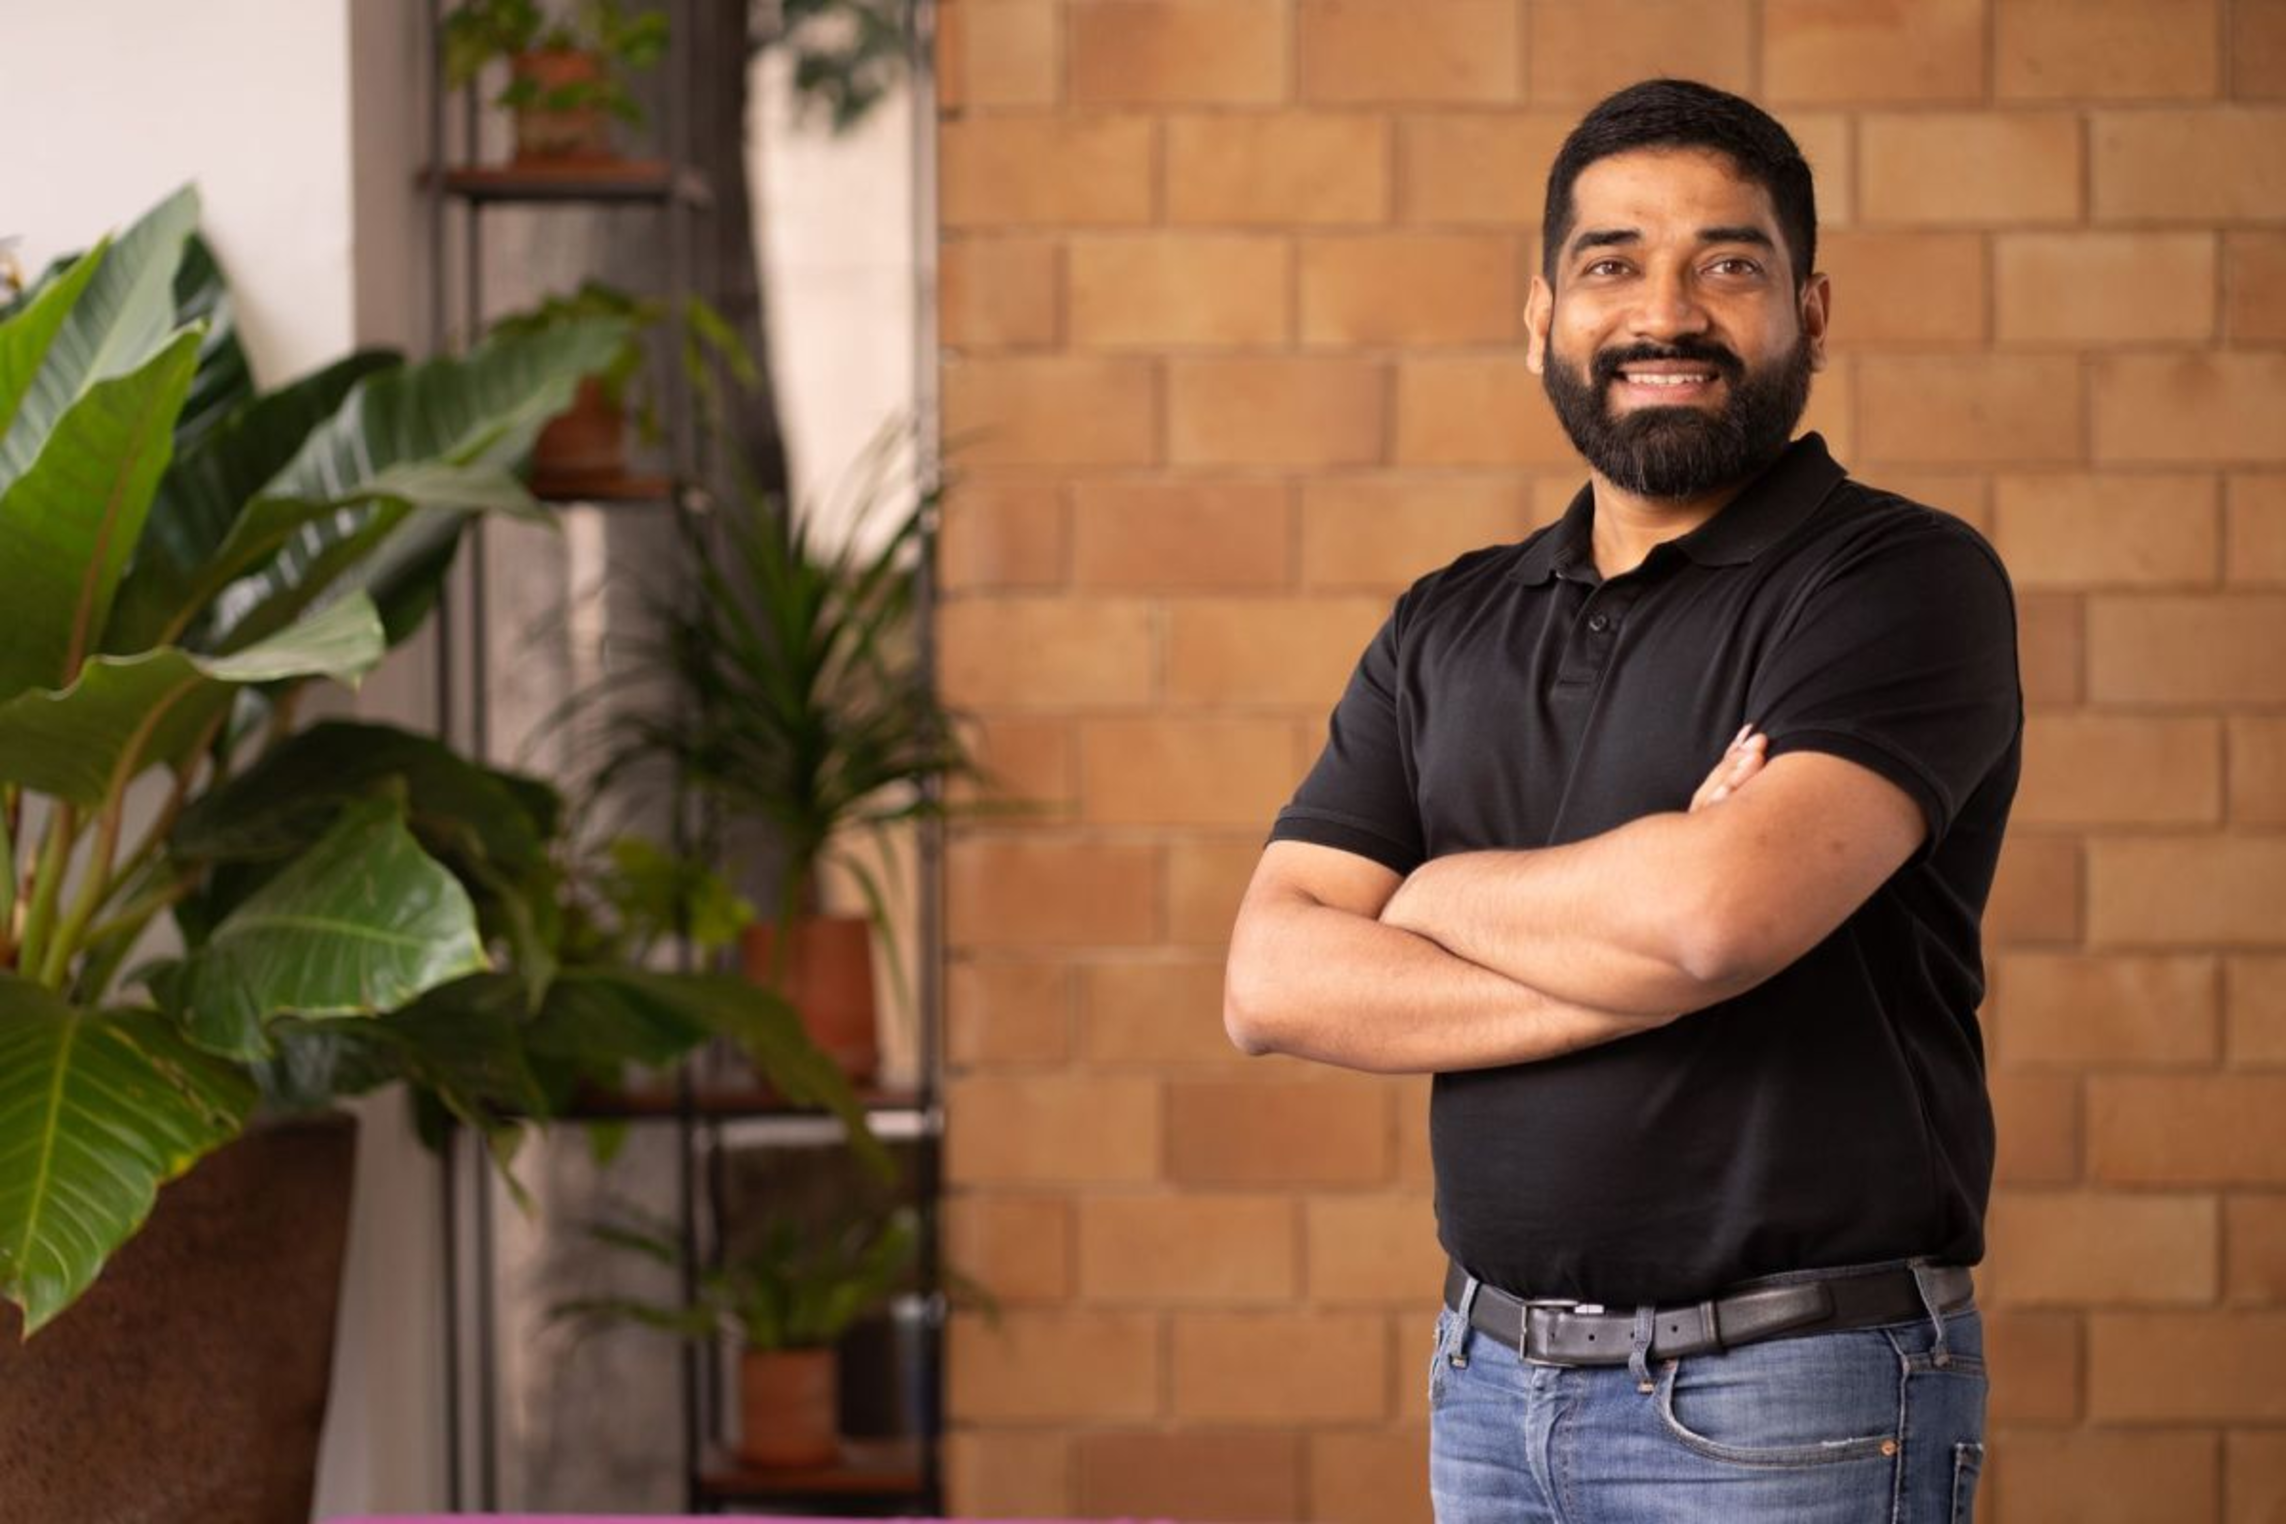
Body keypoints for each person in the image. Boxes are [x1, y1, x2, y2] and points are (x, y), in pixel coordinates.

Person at [1223, 78, 2019, 1523]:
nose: (1666, 313)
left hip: (1792, 1397)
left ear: (1810, 312)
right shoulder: (1448, 621)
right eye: (1611, 265)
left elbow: (1714, 920)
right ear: (1541, 317)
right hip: (1487, 1387)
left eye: (1728, 264)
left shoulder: (1897, 582)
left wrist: (1435, 894)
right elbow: (1272, 978)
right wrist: (1642, 949)